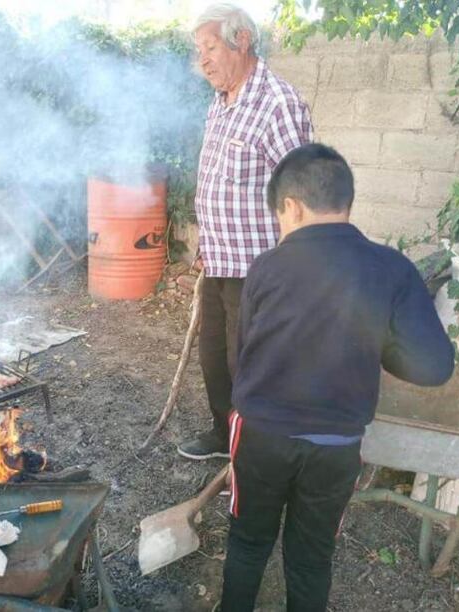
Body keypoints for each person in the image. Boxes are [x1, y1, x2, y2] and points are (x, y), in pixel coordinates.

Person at [220, 143, 455, 611]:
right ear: (345, 202)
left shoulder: (267, 267)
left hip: (261, 434)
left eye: (279, 218)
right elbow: (434, 367)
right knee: (311, 558)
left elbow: (243, 353)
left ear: (291, 206)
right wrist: (380, 347)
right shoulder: (392, 268)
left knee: (248, 542)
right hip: (336, 446)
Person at [177, 4, 313, 460]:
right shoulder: (220, 104)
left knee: (252, 368)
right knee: (215, 359)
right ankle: (225, 435)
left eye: (211, 48)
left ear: (242, 41)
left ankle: (257, 455)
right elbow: (220, 183)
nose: (204, 61)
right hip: (219, 261)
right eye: (199, 52)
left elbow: (303, 194)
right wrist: (204, 245)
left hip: (258, 269)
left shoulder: (278, 104)